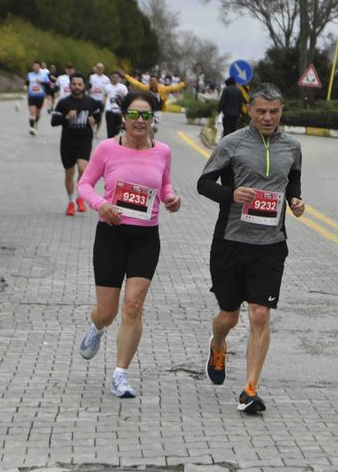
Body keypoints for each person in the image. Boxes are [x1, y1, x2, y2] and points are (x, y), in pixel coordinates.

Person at [197, 82, 304, 414]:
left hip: (271, 245)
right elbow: (203, 183)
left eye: (274, 112)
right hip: (231, 242)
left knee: (259, 315)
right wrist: (232, 195)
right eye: (261, 111)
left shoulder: (292, 146)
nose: (268, 117)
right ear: (249, 110)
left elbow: (293, 181)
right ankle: (218, 344)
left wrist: (297, 201)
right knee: (228, 316)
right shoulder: (232, 143)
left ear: (281, 111)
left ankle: (250, 389)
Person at [76, 91, 181, 398]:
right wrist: (100, 205)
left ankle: (120, 375)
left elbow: (164, 187)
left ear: (153, 120)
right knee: (108, 313)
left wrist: (172, 199)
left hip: (146, 239)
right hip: (111, 236)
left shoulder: (162, 151)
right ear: (123, 118)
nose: (139, 121)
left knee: (133, 306)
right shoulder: (107, 148)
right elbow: (85, 184)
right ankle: (97, 327)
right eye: (133, 115)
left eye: (145, 116)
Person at [51, 73, 103, 216]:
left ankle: (81, 197)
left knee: (83, 169)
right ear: (70, 85)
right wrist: (66, 117)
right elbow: (53, 121)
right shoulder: (63, 103)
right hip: (67, 142)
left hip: (84, 141)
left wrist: (94, 121)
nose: (76, 87)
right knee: (69, 173)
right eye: (74, 84)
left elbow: (97, 116)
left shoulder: (91, 102)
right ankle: (71, 202)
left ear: (84, 85)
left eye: (79, 84)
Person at [24, 60, 49, 135]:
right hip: (31, 96)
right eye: (34, 66)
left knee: (38, 113)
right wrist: (25, 86)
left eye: (37, 66)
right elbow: (26, 82)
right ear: (32, 67)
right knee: (32, 113)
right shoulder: (29, 74)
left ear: (39, 67)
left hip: (40, 96)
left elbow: (48, 84)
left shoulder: (44, 75)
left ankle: (36, 123)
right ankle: (32, 128)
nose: (36, 67)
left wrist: (42, 82)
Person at [104, 71, 129, 139]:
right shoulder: (106, 87)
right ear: (111, 77)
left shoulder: (123, 87)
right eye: (114, 77)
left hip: (119, 110)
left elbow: (127, 98)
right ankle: (110, 142)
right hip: (109, 110)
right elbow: (104, 96)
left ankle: (115, 133)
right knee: (110, 130)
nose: (115, 79)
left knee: (117, 128)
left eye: (117, 78)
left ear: (119, 78)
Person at [89, 63, 111, 136]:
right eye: (98, 68)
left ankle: (97, 132)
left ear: (103, 69)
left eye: (101, 68)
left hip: (100, 99)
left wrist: (105, 99)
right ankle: (90, 129)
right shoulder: (92, 77)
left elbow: (108, 91)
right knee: (91, 115)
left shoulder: (106, 79)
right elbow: (89, 86)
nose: (99, 69)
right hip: (92, 99)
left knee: (100, 116)